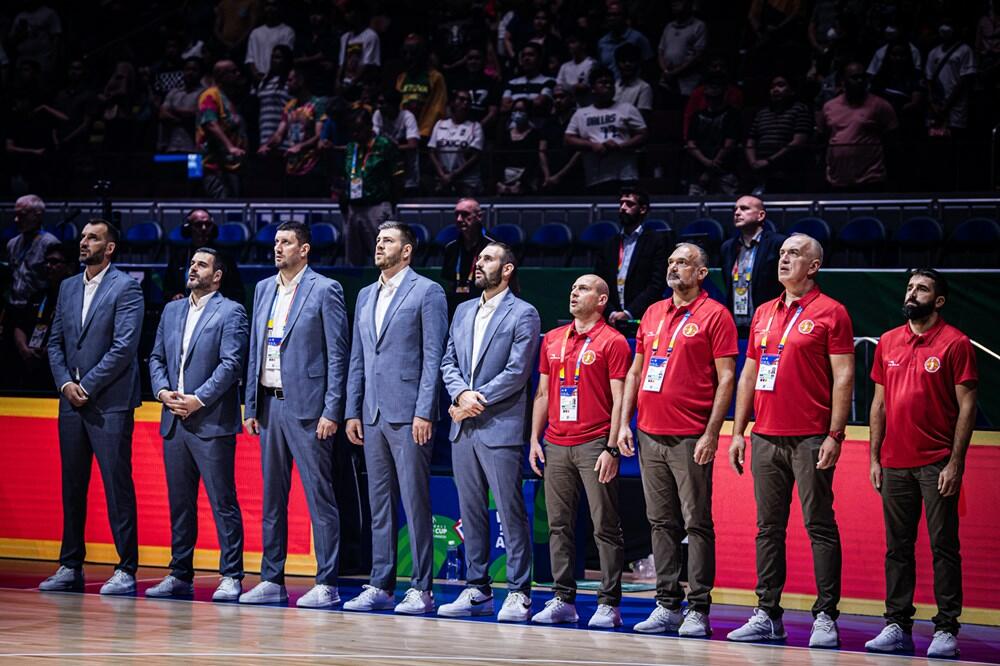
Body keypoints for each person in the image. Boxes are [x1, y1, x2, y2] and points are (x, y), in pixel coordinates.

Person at [726, 233, 854, 648]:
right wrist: (739, 430)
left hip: (811, 436)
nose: (784, 259)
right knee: (768, 529)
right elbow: (749, 373)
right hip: (765, 435)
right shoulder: (764, 311)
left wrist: (834, 434)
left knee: (819, 525)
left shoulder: (832, 312)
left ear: (813, 266)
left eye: (794, 254)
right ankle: (767, 613)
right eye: (781, 253)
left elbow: (844, 376)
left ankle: (826, 616)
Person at [618, 243, 738, 636]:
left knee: (696, 522)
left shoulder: (715, 315)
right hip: (649, 432)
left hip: (690, 435)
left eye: (683, 262)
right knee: (659, 521)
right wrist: (624, 424)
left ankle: (698, 607)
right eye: (670, 261)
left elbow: (727, 378)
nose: (673, 267)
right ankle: (667, 604)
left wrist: (711, 432)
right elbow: (636, 372)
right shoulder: (653, 312)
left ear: (701, 273)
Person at [865, 270, 977, 659]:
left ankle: (946, 628)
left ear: (938, 301)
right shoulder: (888, 341)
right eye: (910, 287)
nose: (912, 293)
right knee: (897, 548)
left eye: (922, 289)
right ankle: (897, 624)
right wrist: (874, 457)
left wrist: (955, 463)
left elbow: (967, 407)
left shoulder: (956, 343)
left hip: (936, 463)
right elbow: (878, 404)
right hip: (894, 464)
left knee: (944, 547)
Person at [240, 221, 349, 608]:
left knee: (320, 497)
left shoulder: (325, 289)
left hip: (309, 409)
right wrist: (251, 403)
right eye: (276, 242)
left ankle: (327, 582)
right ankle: (272, 578)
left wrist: (332, 409)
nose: (278, 248)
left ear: (304, 249)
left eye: (286, 242)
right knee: (272, 498)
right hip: (269, 406)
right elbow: (255, 348)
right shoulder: (263, 289)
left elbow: (338, 355)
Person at [344, 222, 448, 615]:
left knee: (415, 500)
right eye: (377, 240)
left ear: (406, 251)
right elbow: (358, 357)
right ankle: (380, 584)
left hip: (409, 414)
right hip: (372, 413)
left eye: (387, 240)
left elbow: (433, 356)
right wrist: (352, 409)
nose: (379, 245)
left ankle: (422, 588)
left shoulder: (427, 291)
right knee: (379, 503)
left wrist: (425, 410)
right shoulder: (366, 294)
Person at [39, 220, 144, 595]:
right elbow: (55, 342)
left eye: (93, 238)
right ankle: (70, 565)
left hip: (110, 403)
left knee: (117, 485)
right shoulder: (67, 286)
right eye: (83, 237)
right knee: (72, 485)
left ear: (109, 247)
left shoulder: (127, 287)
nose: (83, 242)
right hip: (71, 402)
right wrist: (65, 384)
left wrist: (87, 384)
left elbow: (124, 347)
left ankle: (126, 568)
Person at [438, 242, 540, 622]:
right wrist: (460, 394)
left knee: (510, 511)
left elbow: (517, 371)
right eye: (479, 258)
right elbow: (448, 360)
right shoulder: (464, 310)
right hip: (464, 425)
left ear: (507, 269)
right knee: (470, 511)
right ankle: (477, 588)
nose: (479, 263)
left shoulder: (524, 313)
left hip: (500, 425)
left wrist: (474, 399)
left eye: (488, 258)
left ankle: (519, 591)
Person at [146, 248, 249, 601]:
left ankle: (231, 575)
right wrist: (162, 392)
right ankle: (180, 573)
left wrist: (198, 399)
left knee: (223, 502)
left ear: (217, 276)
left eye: (201, 265)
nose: (192, 268)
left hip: (211, 421)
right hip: (173, 419)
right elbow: (156, 357)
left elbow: (231, 364)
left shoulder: (231, 311)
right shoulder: (172, 310)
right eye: (191, 263)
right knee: (180, 504)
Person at [528, 274, 628, 627]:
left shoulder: (613, 341)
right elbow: (542, 393)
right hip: (556, 443)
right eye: (572, 288)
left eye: (583, 288)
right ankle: (563, 599)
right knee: (558, 525)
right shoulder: (553, 339)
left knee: (605, 526)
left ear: (601, 300)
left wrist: (612, 448)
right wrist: (534, 439)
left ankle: (609, 603)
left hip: (594, 443)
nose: (574, 292)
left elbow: (620, 400)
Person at [565, 66, 648, 194]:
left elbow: (643, 134)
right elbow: (568, 138)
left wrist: (620, 146)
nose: (608, 86)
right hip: (596, 177)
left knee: (627, 206)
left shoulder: (627, 108)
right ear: (592, 88)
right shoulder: (581, 114)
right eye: (603, 83)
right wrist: (592, 145)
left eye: (610, 83)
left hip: (625, 175)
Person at [818, 62, 898, 191]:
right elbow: (824, 136)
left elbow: (892, 138)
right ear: (843, 81)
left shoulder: (881, 105)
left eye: (862, 77)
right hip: (837, 179)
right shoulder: (829, 107)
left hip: (870, 179)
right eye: (855, 77)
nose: (860, 81)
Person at [594, 187, 668, 326]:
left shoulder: (655, 241)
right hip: (612, 318)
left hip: (644, 317)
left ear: (643, 209)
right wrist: (611, 312)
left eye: (629, 204)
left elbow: (657, 284)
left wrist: (629, 313)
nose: (623, 208)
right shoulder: (609, 244)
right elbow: (598, 284)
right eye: (621, 203)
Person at [342, 108, 402, 266]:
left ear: (369, 126)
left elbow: (397, 177)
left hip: (377, 207)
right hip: (354, 208)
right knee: (353, 259)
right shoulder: (351, 147)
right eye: (352, 131)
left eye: (359, 130)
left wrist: (390, 204)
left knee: (384, 257)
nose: (355, 134)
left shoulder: (385, 145)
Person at [11, 243, 74, 392]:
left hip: (59, 369)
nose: (48, 266)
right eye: (46, 262)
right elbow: (20, 326)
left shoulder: (76, 298)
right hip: (29, 362)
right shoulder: (38, 296)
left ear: (70, 267)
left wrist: (51, 350)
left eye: (54, 262)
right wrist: (24, 349)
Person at [720, 196, 786, 337]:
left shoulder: (778, 244)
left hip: (769, 324)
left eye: (744, 208)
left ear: (760, 215)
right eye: (735, 209)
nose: (737, 213)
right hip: (736, 324)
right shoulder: (728, 247)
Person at [258, 68, 327, 197]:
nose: (287, 84)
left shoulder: (317, 104)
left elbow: (319, 135)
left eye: (290, 80)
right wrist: (267, 145)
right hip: (292, 166)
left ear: (300, 81)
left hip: (311, 165)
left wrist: (301, 146)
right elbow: (279, 134)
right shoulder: (289, 106)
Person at [745, 75, 812, 194]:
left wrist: (769, 161)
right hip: (761, 173)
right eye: (772, 87)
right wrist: (753, 162)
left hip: (788, 173)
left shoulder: (799, 109)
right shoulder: (762, 113)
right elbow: (751, 140)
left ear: (792, 90)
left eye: (781, 85)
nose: (775, 90)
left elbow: (799, 141)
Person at [163, 208, 245, 306]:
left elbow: (237, 293)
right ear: (188, 229)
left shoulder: (224, 257)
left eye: (208, 224)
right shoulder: (179, 257)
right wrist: (174, 296)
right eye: (198, 225)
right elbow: (167, 289)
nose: (203, 228)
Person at [196, 60, 247, 199]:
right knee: (222, 205)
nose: (238, 74)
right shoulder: (210, 95)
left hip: (232, 165)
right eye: (233, 71)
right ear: (221, 76)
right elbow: (210, 123)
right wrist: (230, 147)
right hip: (214, 166)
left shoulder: (229, 98)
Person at [685, 74, 740, 196]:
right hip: (698, 172)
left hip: (725, 172)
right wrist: (706, 162)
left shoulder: (732, 114)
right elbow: (691, 143)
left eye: (717, 87)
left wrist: (711, 168)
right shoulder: (697, 116)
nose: (713, 91)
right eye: (710, 87)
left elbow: (729, 143)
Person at [440, 198, 494, 317]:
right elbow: (449, 283)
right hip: (455, 309)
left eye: (465, 214)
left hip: (485, 309)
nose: (459, 219)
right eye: (456, 214)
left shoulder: (493, 247)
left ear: (479, 216)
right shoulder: (451, 247)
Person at [5, 194, 61, 308]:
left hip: (37, 308)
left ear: (38, 216)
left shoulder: (50, 243)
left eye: (22, 215)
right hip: (12, 306)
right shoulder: (12, 244)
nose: (16, 220)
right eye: (16, 215)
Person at [428, 90, 484, 196]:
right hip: (443, 181)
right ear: (452, 103)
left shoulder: (475, 127)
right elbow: (432, 151)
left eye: (468, 101)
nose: (465, 103)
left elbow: (475, 156)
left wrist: (453, 175)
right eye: (461, 99)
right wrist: (442, 174)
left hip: (467, 183)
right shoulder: (440, 124)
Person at [396, 34, 448, 139]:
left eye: (413, 53)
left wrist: (424, 132)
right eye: (405, 53)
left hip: (426, 134)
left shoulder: (435, 77)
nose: (408, 57)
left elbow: (437, 107)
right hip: (404, 133)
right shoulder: (402, 78)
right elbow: (398, 106)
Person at [656, 0, 707, 106]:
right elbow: (661, 50)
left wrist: (676, 71)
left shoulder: (699, 26)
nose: (674, 3)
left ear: (689, 4)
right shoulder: (669, 26)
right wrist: (665, 71)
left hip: (687, 83)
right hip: (666, 81)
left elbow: (697, 55)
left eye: (679, 1)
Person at [373, 89, 420, 196]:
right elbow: (373, 139)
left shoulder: (408, 117)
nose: (378, 106)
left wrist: (388, 147)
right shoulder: (378, 114)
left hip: (407, 175)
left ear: (393, 104)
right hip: (386, 175)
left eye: (382, 103)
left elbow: (413, 145)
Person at [495, 97, 544, 195]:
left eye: (521, 110)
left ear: (528, 113)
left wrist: (521, 183)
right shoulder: (505, 135)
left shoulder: (535, 135)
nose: (517, 113)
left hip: (526, 179)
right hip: (505, 180)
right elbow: (498, 160)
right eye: (515, 110)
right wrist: (499, 182)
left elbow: (533, 161)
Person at [158, 57, 205, 154]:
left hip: (193, 148)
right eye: (187, 69)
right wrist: (181, 119)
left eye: (194, 70)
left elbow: (196, 115)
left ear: (201, 73)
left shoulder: (205, 93)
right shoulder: (173, 92)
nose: (190, 73)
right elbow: (162, 114)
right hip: (171, 146)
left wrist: (173, 111)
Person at [597, 2, 653, 80]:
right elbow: (601, 69)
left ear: (625, 17)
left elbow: (649, 66)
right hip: (610, 86)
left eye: (616, 15)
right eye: (609, 15)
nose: (611, 18)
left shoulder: (637, 38)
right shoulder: (602, 42)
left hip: (634, 85)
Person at [244, 0, 295, 83]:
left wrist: (271, 77)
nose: (270, 8)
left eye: (273, 5)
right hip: (258, 80)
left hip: (278, 80)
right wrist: (256, 75)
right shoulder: (255, 33)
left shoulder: (287, 31)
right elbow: (250, 59)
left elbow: (285, 57)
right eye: (267, 5)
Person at [501, 43, 556, 115]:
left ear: (539, 59)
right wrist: (528, 104)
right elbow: (504, 107)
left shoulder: (549, 81)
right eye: (523, 56)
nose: (526, 58)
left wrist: (515, 104)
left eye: (531, 55)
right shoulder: (512, 83)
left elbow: (539, 103)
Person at [337, 3, 380, 94]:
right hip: (345, 85)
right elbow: (342, 64)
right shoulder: (345, 37)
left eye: (350, 12)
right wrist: (337, 81)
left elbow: (367, 65)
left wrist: (352, 83)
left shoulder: (371, 36)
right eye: (346, 13)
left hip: (361, 87)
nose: (347, 16)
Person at [556, 33, 595, 105]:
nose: (569, 45)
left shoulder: (592, 64)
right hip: (568, 105)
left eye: (573, 42)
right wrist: (574, 86)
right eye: (568, 43)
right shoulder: (564, 66)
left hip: (587, 104)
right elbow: (558, 87)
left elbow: (584, 87)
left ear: (583, 45)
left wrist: (567, 86)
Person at [614, 43, 653, 114]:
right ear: (617, 64)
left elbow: (642, 116)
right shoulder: (614, 85)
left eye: (631, 61)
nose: (627, 64)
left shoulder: (644, 87)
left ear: (638, 63)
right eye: (623, 61)